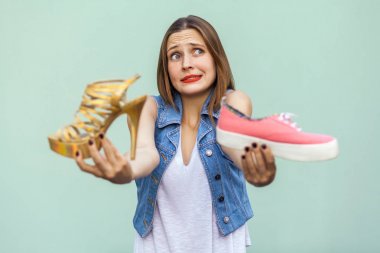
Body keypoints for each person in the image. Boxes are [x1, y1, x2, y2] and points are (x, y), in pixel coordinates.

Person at [75, 15, 276, 253]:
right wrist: (126, 171)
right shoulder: (146, 108)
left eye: (198, 51)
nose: (186, 64)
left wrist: (252, 165)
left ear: (216, 58)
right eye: (175, 55)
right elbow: (145, 154)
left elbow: (232, 139)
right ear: (166, 67)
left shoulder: (234, 101)